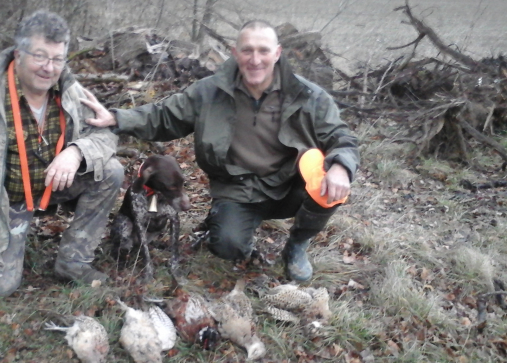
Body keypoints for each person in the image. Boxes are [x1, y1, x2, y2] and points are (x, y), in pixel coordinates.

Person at [81, 20, 359, 283]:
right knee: (227, 247)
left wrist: (341, 167)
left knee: (328, 186)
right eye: (247, 50)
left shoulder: (308, 95)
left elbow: (341, 137)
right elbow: (163, 116)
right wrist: (118, 119)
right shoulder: (209, 92)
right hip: (239, 189)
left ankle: (297, 244)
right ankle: (229, 221)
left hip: (289, 184)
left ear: (277, 53)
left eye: (263, 51)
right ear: (235, 53)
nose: (255, 59)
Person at [0, 10, 123, 296]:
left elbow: (105, 135)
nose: (49, 67)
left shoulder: (71, 90)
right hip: (3, 199)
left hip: (51, 186)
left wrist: (76, 152)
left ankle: (73, 261)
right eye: (40, 56)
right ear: (18, 54)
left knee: (111, 171)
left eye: (57, 59)